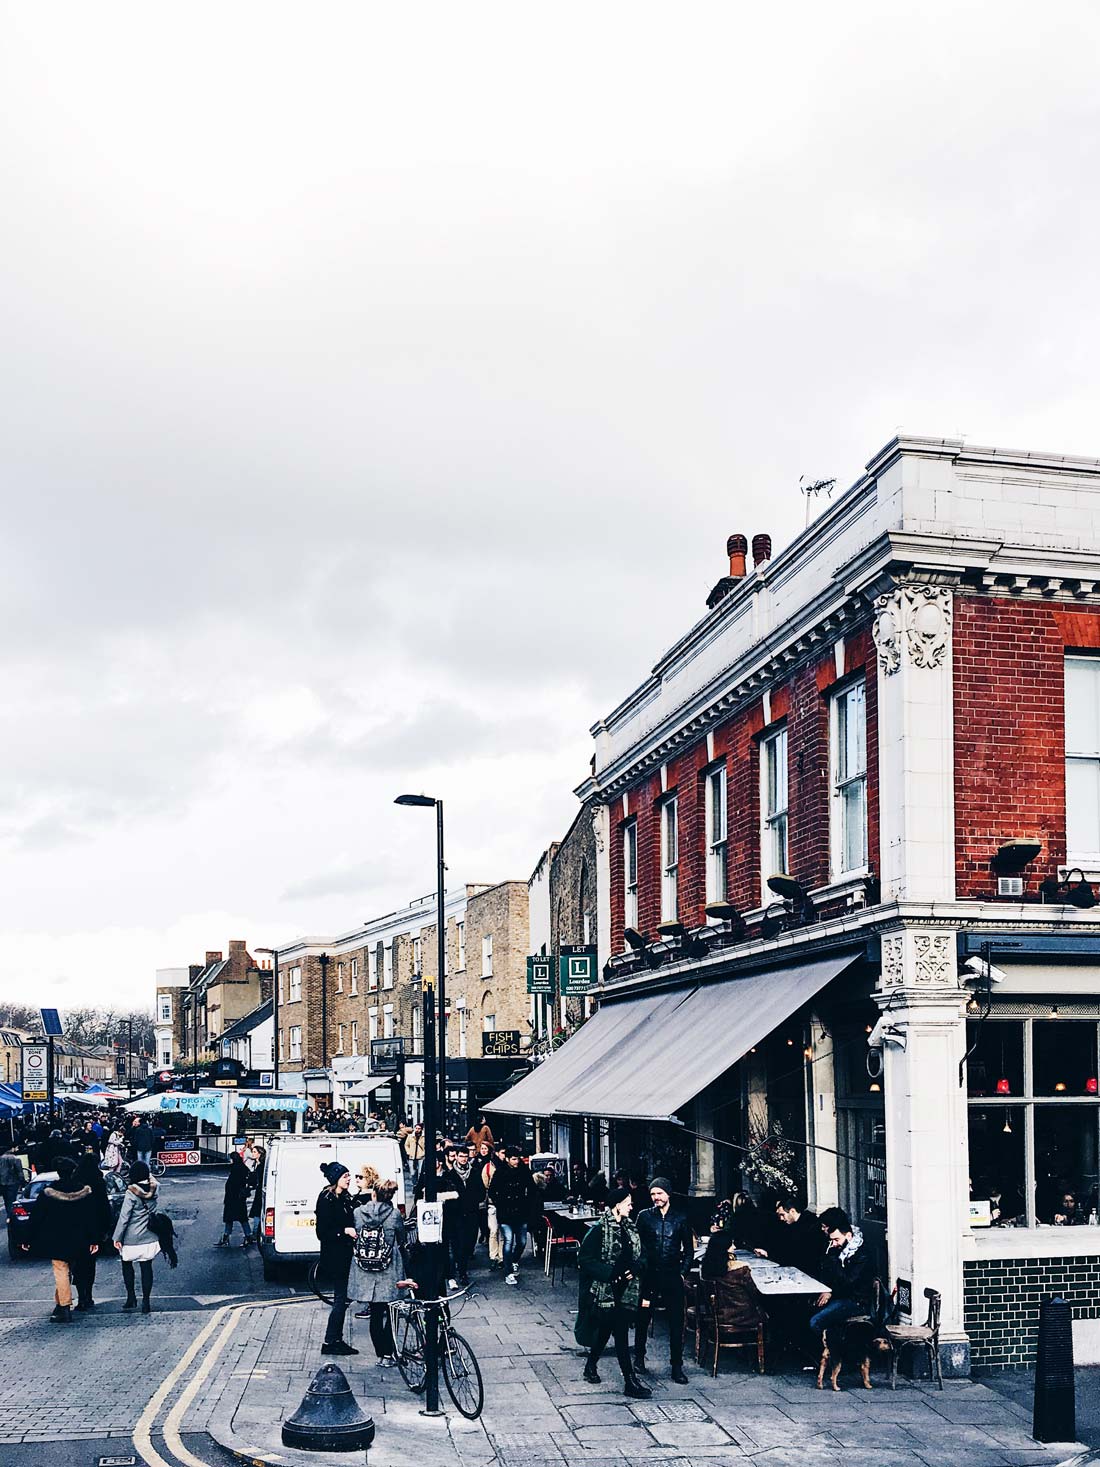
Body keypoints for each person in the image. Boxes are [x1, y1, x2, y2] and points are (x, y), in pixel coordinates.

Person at [576, 1185, 651, 1399]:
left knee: (607, 1330)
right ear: (617, 1205)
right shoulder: (599, 1230)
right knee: (620, 1332)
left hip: (628, 1289)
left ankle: (590, 1365)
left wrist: (636, 1269)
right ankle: (629, 1381)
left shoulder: (630, 1228)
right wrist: (611, 1274)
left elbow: (642, 1254)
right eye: (628, 1203)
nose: (631, 1206)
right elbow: (585, 1259)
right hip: (607, 1289)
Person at [23, 1155, 100, 1324]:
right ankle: (60, 1304)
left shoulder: (49, 1193)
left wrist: (27, 1238)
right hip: (80, 1238)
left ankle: (64, 1307)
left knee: (61, 1271)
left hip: (57, 1238)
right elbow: (91, 1217)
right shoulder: (84, 1191)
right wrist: (94, 1239)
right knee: (69, 1270)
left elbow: (36, 1217)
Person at [634, 1176, 694, 1384]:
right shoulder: (644, 1217)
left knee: (676, 1322)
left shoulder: (680, 1218)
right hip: (649, 1276)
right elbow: (636, 1245)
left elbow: (689, 1250)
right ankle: (639, 1359)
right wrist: (641, 1267)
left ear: (668, 1194)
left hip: (671, 1275)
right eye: (652, 1194)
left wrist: (682, 1272)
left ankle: (677, 1366)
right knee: (642, 1318)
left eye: (659, 1193)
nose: (656, 1197)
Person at [349, 1179, 411, 1365]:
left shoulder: (358, 1212)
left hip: (366, 1268)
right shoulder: (394, 1215)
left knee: (375, 1314)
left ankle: (381, 1354)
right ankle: (389, 1354)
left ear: (373, 1193)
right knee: (392, 1313)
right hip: (389, 1268)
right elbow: (402, 1238)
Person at [315, 1161, 359, 1356]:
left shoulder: (344, 1197)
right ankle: (331, 1341)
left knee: (343, 1298)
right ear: (335, 1179)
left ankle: (335, 1339)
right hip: (335, 1257)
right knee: (341, 1299)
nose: (349, 1179)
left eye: (349, 1175)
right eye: (345, 1176)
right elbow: (322, 1232)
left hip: (345, 1254)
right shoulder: (326, 1199)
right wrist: (344, 1231)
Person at [809, 1208, 874, 1338]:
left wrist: (834, 1260)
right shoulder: (837, 1247)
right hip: (839, 1295)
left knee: (815, 1322)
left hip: (856, 1301)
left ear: (848, 1236)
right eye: (832, 1240)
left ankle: (834, 1351)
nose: (834, 1244)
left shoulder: (861, 1254)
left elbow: (848, 1282)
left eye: (837, 1240)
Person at [112, 1161, 161, 1314]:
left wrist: (117, 1237)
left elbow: (124, 1217)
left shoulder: (131, 1192)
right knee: (147, 1268)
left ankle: (131, 1297)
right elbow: (152, 1179)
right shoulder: (155, 1189)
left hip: (131, 1238)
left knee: (127, 1266)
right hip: (149, 1236)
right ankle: (146, 1301)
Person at [71, 1149, 114, 1311]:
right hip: (94, 1228)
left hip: (76, 1229)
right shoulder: (98, 1181)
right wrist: (105, 1230)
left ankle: (81, 1296)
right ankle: (88, 1296)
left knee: (77, 1264)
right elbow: (104, 1207)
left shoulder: (76, 1181)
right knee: (90, 1264)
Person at [489, 1146, 537, 1285]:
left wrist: (528, 1203)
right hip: (506, 1213)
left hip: (521, 1211)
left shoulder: (524, 1171)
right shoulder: (500, 1172)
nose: (516, 1161)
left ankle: (514, 1260)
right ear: (508, 1159)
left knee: (522, 1242)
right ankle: (508, 1271)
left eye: (518, 1158)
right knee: (508, 1241)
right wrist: (500, 1203)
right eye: (514, 1159)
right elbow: (492, 1191)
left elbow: (532, 1189)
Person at [755, 1194, 824, 1275]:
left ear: (792, 1211)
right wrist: (767, 1253)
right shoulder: (789, 1225)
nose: (781, 1218)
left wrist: (770, 1254)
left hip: (808, 1272)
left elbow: (794, 1253)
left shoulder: (811, 1226)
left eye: (782, 1214)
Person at [451, 1144, 483, 1285]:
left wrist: (473, 1199)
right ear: (456, 1157)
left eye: (466, 1156)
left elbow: (481, 1192)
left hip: (471, 1212)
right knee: (460, 1243)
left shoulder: (474, 1172)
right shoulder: (451, 1175)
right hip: (457, 1214)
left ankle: (462, 1263)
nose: (464, 1159)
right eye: (461, 1156)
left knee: (470, 1241)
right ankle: (462, 1271)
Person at [218, 1152, 254, 1247]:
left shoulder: (234, 1169)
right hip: (240, 1198)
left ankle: (226, 1237)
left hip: (232, 1198)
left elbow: (232, 1185)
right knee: (242, 1218)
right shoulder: (243, 1167)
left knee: (229, 1218)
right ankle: (248, 1235)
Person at [482, 1142, 506, 1268]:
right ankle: (493, 1255)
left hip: (504, 1203)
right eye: (502, 1153)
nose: (504, 1155)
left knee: (502, 1231)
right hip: (492, 1203)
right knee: (494, 1230)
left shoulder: (506, 1166)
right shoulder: (488, 1167)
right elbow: (485, 1185)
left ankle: (501, 1256)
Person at [0, 1145, 26, 1221]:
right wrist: (22, 1182)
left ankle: (9, 1214)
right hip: (13, 1182)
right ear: (12, 1148)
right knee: (13, 1200)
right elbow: (19, 1172)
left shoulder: (0, 1158)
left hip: (2, 1183)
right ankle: (12, 1216)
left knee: (6, 1200)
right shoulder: (16, 1158)